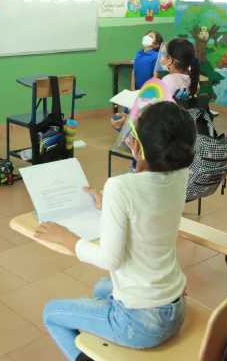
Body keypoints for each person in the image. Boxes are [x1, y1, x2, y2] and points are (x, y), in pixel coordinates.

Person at [36, 101, 195, 361]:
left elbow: (110, 259)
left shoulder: (120, 187)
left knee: (51, 313)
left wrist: (68, 239)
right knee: (102, 289)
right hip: (174, 307)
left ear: (136, 145)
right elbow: (149, 202)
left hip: (141, 323)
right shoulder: (181, 175)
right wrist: (107, 203)